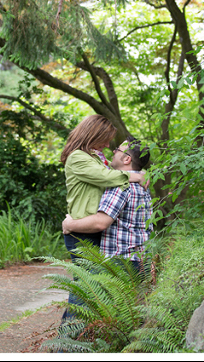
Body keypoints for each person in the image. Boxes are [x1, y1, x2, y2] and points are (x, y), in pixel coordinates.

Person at [59, 115, 145, 322]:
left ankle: (73, 334)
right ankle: (68, 338)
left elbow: (113, 172)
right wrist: (136, 175)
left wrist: (139, 170)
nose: (107, 145)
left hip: (94, 229)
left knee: (90, 289)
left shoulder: (95, 157)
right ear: (93, 135)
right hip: (82, 231)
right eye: (105, 140)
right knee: (86, 289)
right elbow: (105, 177)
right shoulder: (77, 157)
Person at [62, 135, 152, 277]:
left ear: (127, 159)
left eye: (117, 150)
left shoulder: (121, 186)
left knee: (87, 287)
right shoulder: (143, 184)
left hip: (122, 261)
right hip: (142, 259)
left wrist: (69, 225)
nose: (112, 150)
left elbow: (100, 223)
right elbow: (103, 169)